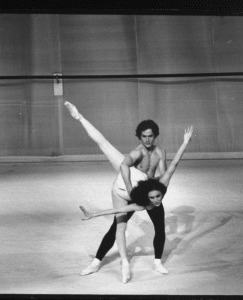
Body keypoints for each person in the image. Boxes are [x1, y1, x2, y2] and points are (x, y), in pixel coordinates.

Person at [64, 100, 194, 283]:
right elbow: (124, 165)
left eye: (150, 136)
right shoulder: (137, 152)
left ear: (155, 135)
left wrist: (184, 144)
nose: (147, 139)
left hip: (148, 190)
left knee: (159, 228)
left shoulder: (160, 152)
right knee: (105, 146)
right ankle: (96, 261)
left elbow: (168, 170)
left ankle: (158, 262)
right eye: (144, 136)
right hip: (131, 183)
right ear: (139, 137)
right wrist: (130, 188)